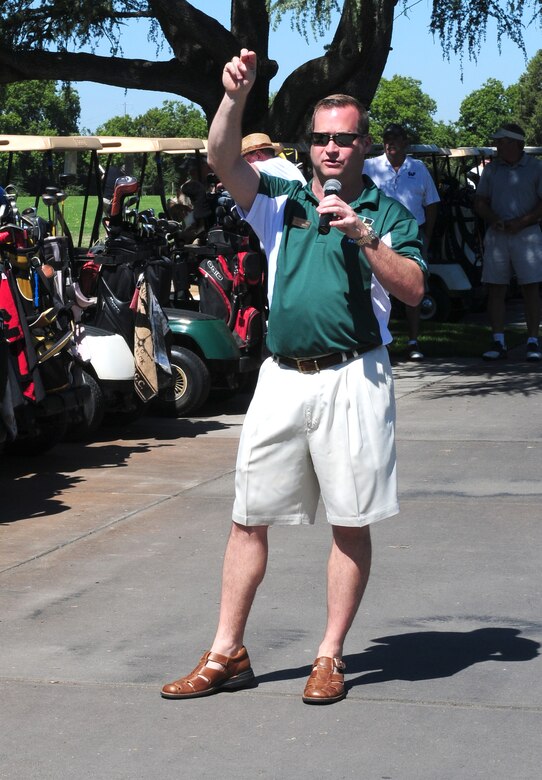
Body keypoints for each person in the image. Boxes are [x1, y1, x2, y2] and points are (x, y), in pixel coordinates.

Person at [161, 49, 425, 705]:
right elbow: (223, 159)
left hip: (354, 379)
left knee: (350, 520)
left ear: (362, 143)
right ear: (309, 145)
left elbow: (416, 289)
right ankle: (227, 651)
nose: (332, 149)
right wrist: (233, 97)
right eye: (321, 139)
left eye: (344, 139)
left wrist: (365, 235)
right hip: (282, 377)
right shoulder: (279, 199)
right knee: (248, 516)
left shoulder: (388, 214)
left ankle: (329, 655)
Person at [363, 123, 440, 361]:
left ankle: (413, 340)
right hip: (377, 234)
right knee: (375, 288)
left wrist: (426, 235)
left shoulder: (417, 168)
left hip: (411, 234)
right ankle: (378, 339)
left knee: (412, 288)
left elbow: (432, 203)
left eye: (395, 138)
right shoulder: (369, 166)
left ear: (405, 141)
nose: (390, 143)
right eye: (387, 138)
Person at [474, 123, 542, 362]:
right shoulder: (491, 170)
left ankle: (533, 341)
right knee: (495, 288)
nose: (497, 146)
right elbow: (480, 201)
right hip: (498, 234)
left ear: (515, 143)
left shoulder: (536, 168)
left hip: (528, 235)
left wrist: (522, 222)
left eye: (501, 142)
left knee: (531, 288)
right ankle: (498, 341)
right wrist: (495, 219)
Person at [241, 132, 307, 184]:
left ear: (258, 155)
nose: (246, 164)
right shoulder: (282, 164)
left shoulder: (268, 165)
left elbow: (240, 173)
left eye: (246, 160)